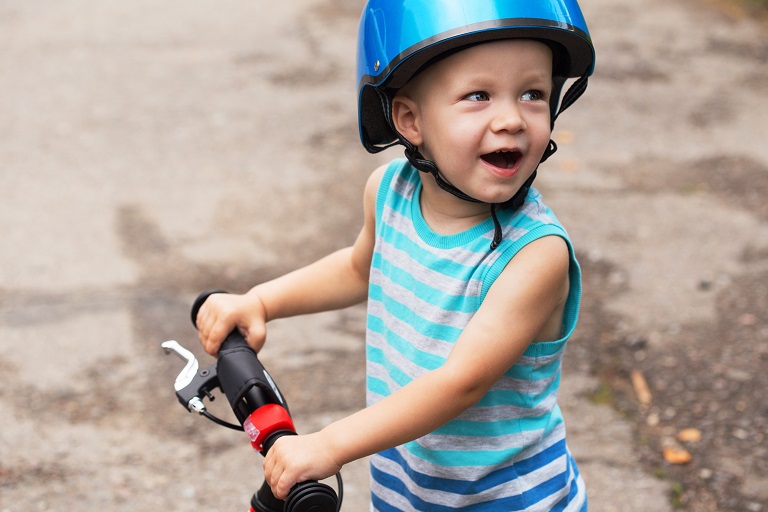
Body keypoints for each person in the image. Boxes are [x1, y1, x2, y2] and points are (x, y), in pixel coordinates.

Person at [196, 0, 596, 509]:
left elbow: (460, 383)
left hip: (511, 500)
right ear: (409, 119)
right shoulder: (391, 192)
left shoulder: (534, 255)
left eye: (533, 94)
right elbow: (357, 267)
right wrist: (260, 301)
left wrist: (330, 445)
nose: (512, 119)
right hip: (410, 491)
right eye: (478, 95)